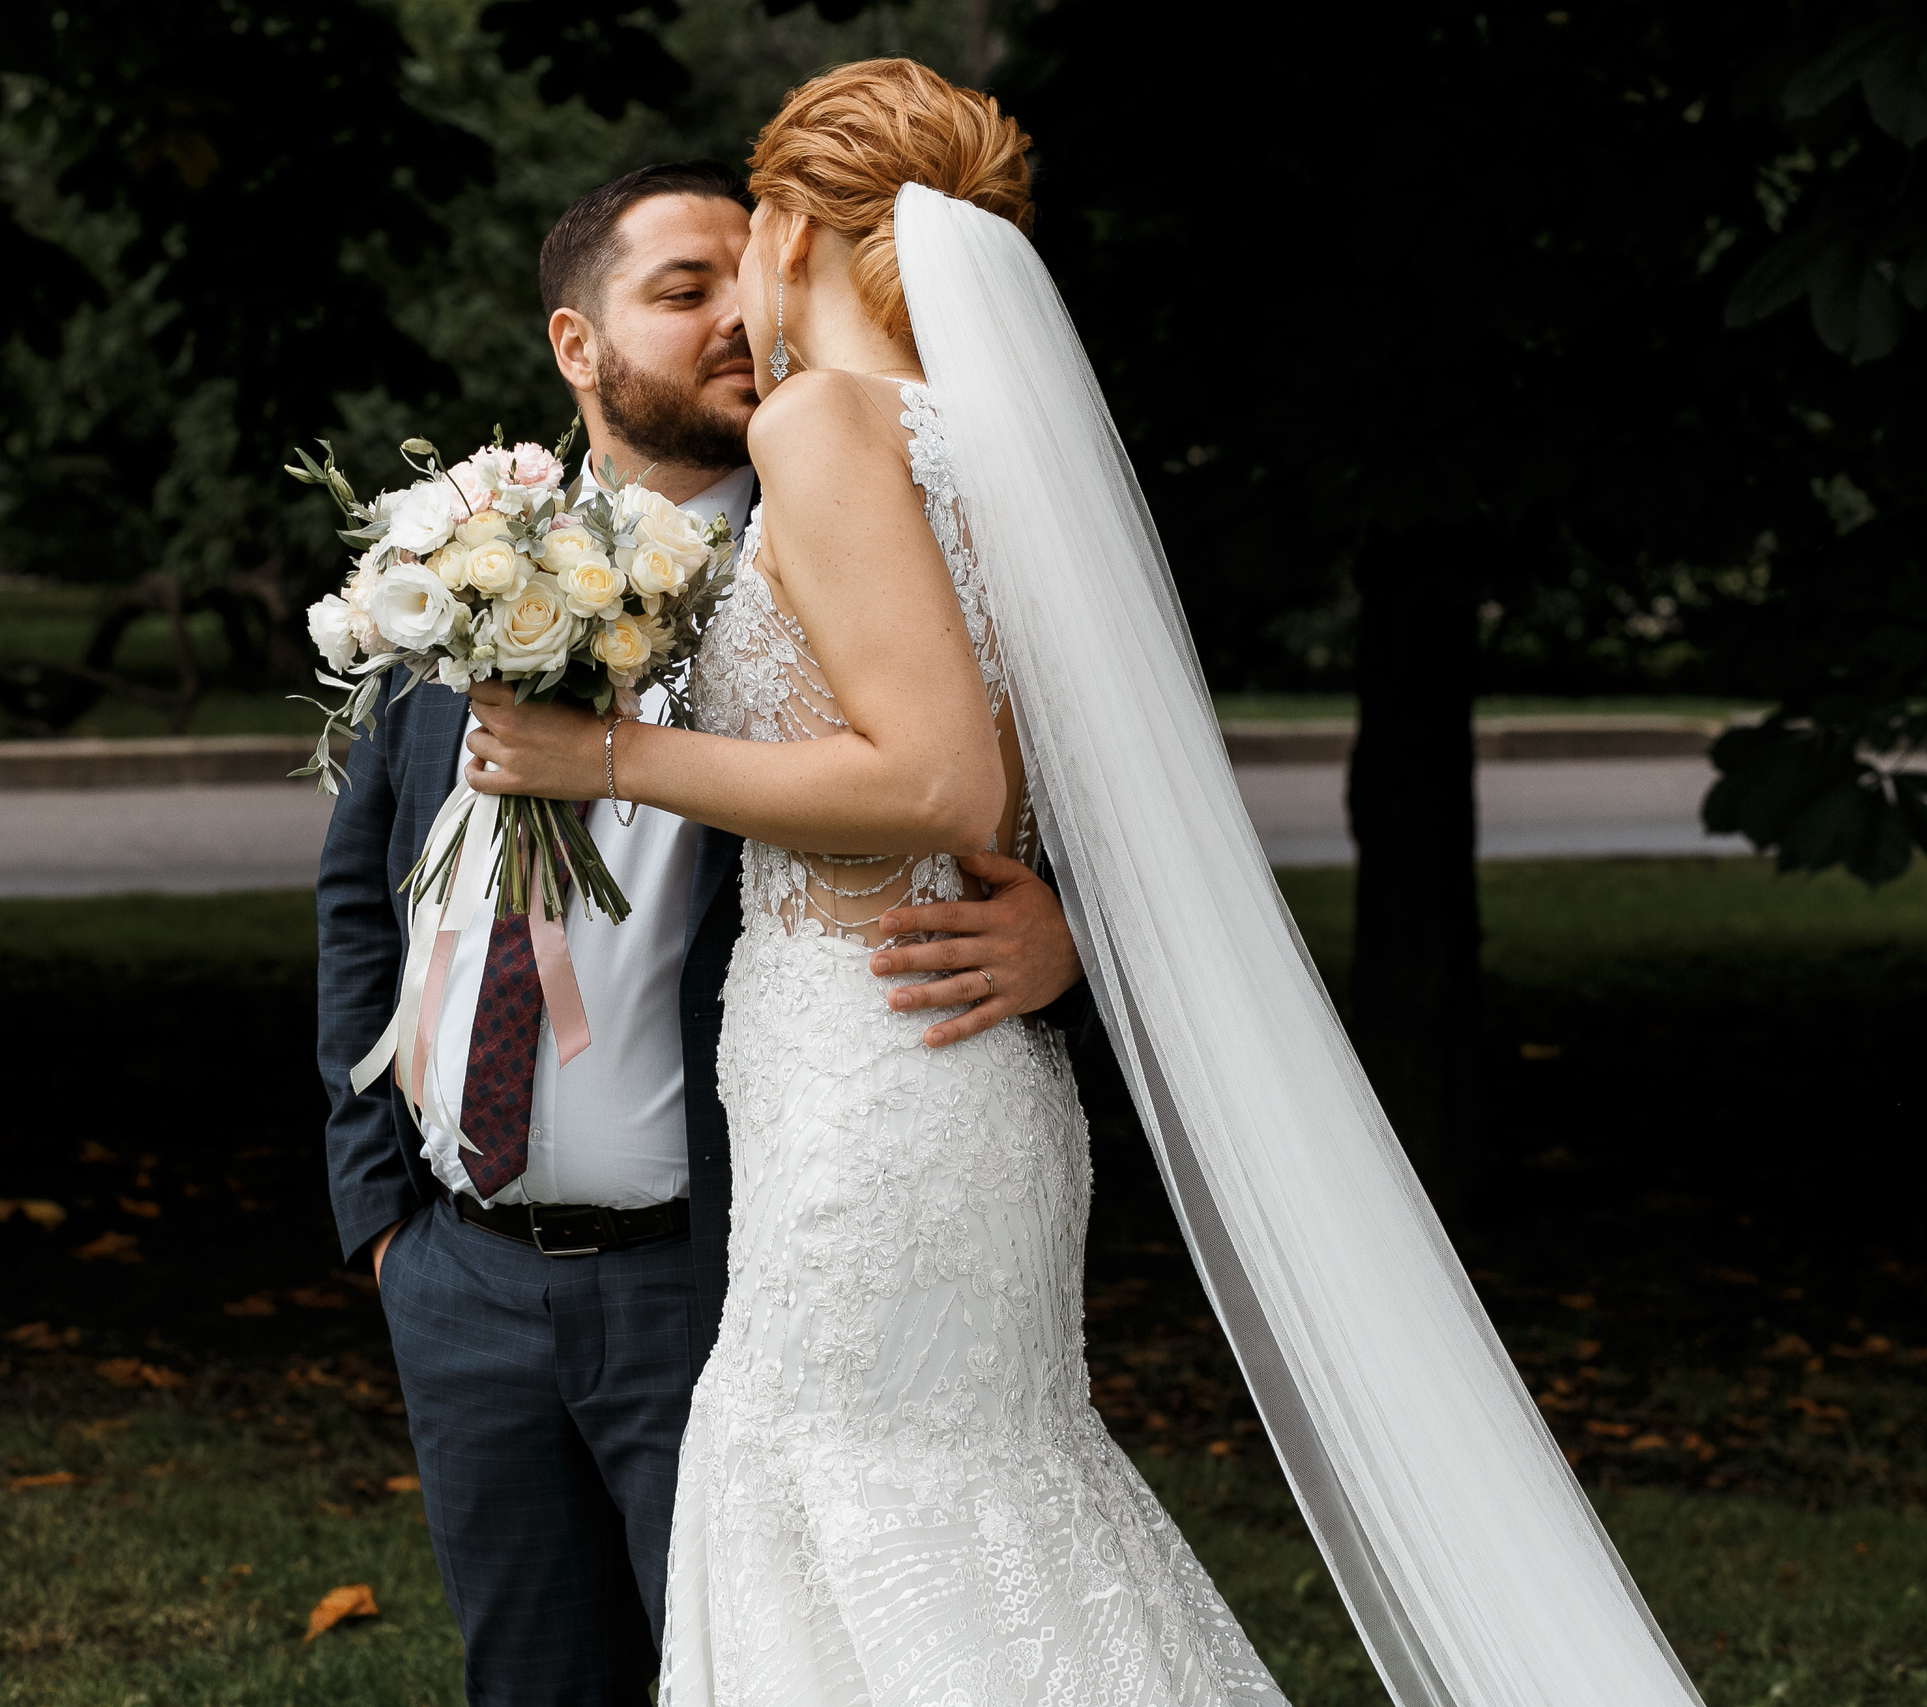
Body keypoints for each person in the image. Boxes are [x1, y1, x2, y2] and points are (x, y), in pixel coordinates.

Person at [461, 59, 1711, 1707]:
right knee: (964, 1511)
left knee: (851, 1505)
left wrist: (596, 761)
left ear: (782, 228)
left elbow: (938, 780)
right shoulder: (989, 456)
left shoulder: (828, 423)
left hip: (874, 1074)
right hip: (950, 1072)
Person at [315, 158, 1090, 1707]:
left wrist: (1067, 939)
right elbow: (361, 896)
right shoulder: (453, 561)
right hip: (459, 1272)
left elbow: (1020, 785)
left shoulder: (838, 554)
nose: (739, 314)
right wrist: (382, 1220)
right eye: (681, 292)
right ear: (573, 346)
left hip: (712, 1272)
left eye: (748, 278)